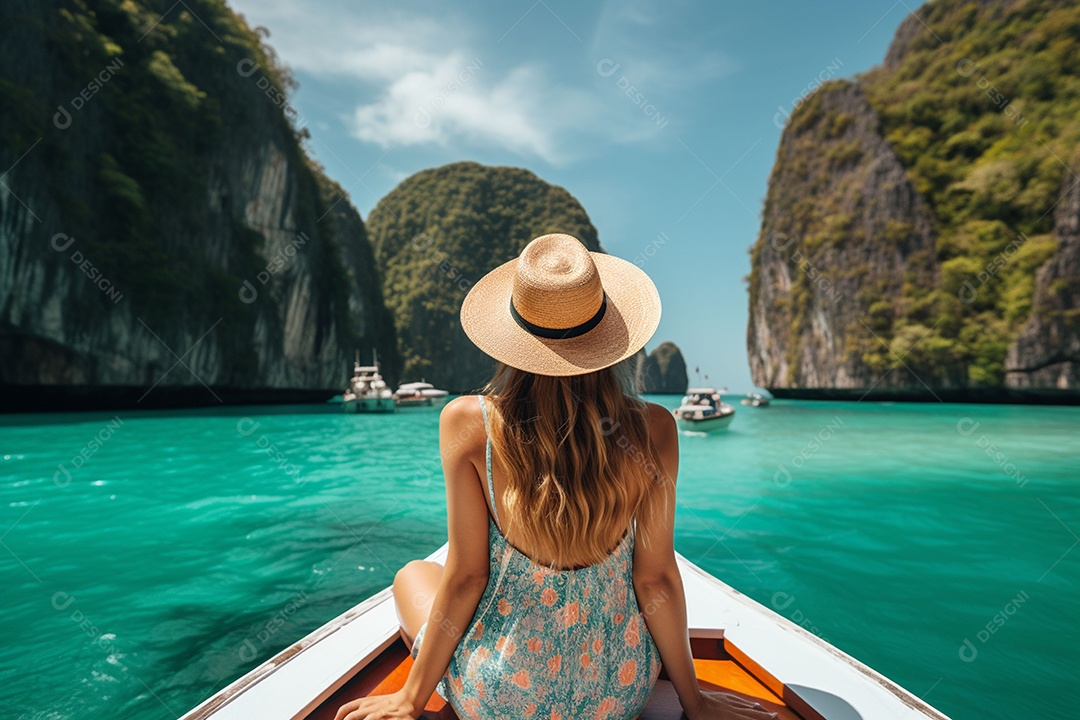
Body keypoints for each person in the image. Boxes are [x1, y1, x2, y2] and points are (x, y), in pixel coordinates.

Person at [335, 234, 777, 720]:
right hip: (616, 692)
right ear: (611, 336)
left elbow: (466, 577)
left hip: (503, 697)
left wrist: (409, 699)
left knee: (412, 575)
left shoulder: (467, 423)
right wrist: (695, 701)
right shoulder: (654, 429)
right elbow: (656, 580)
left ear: (510, 334)